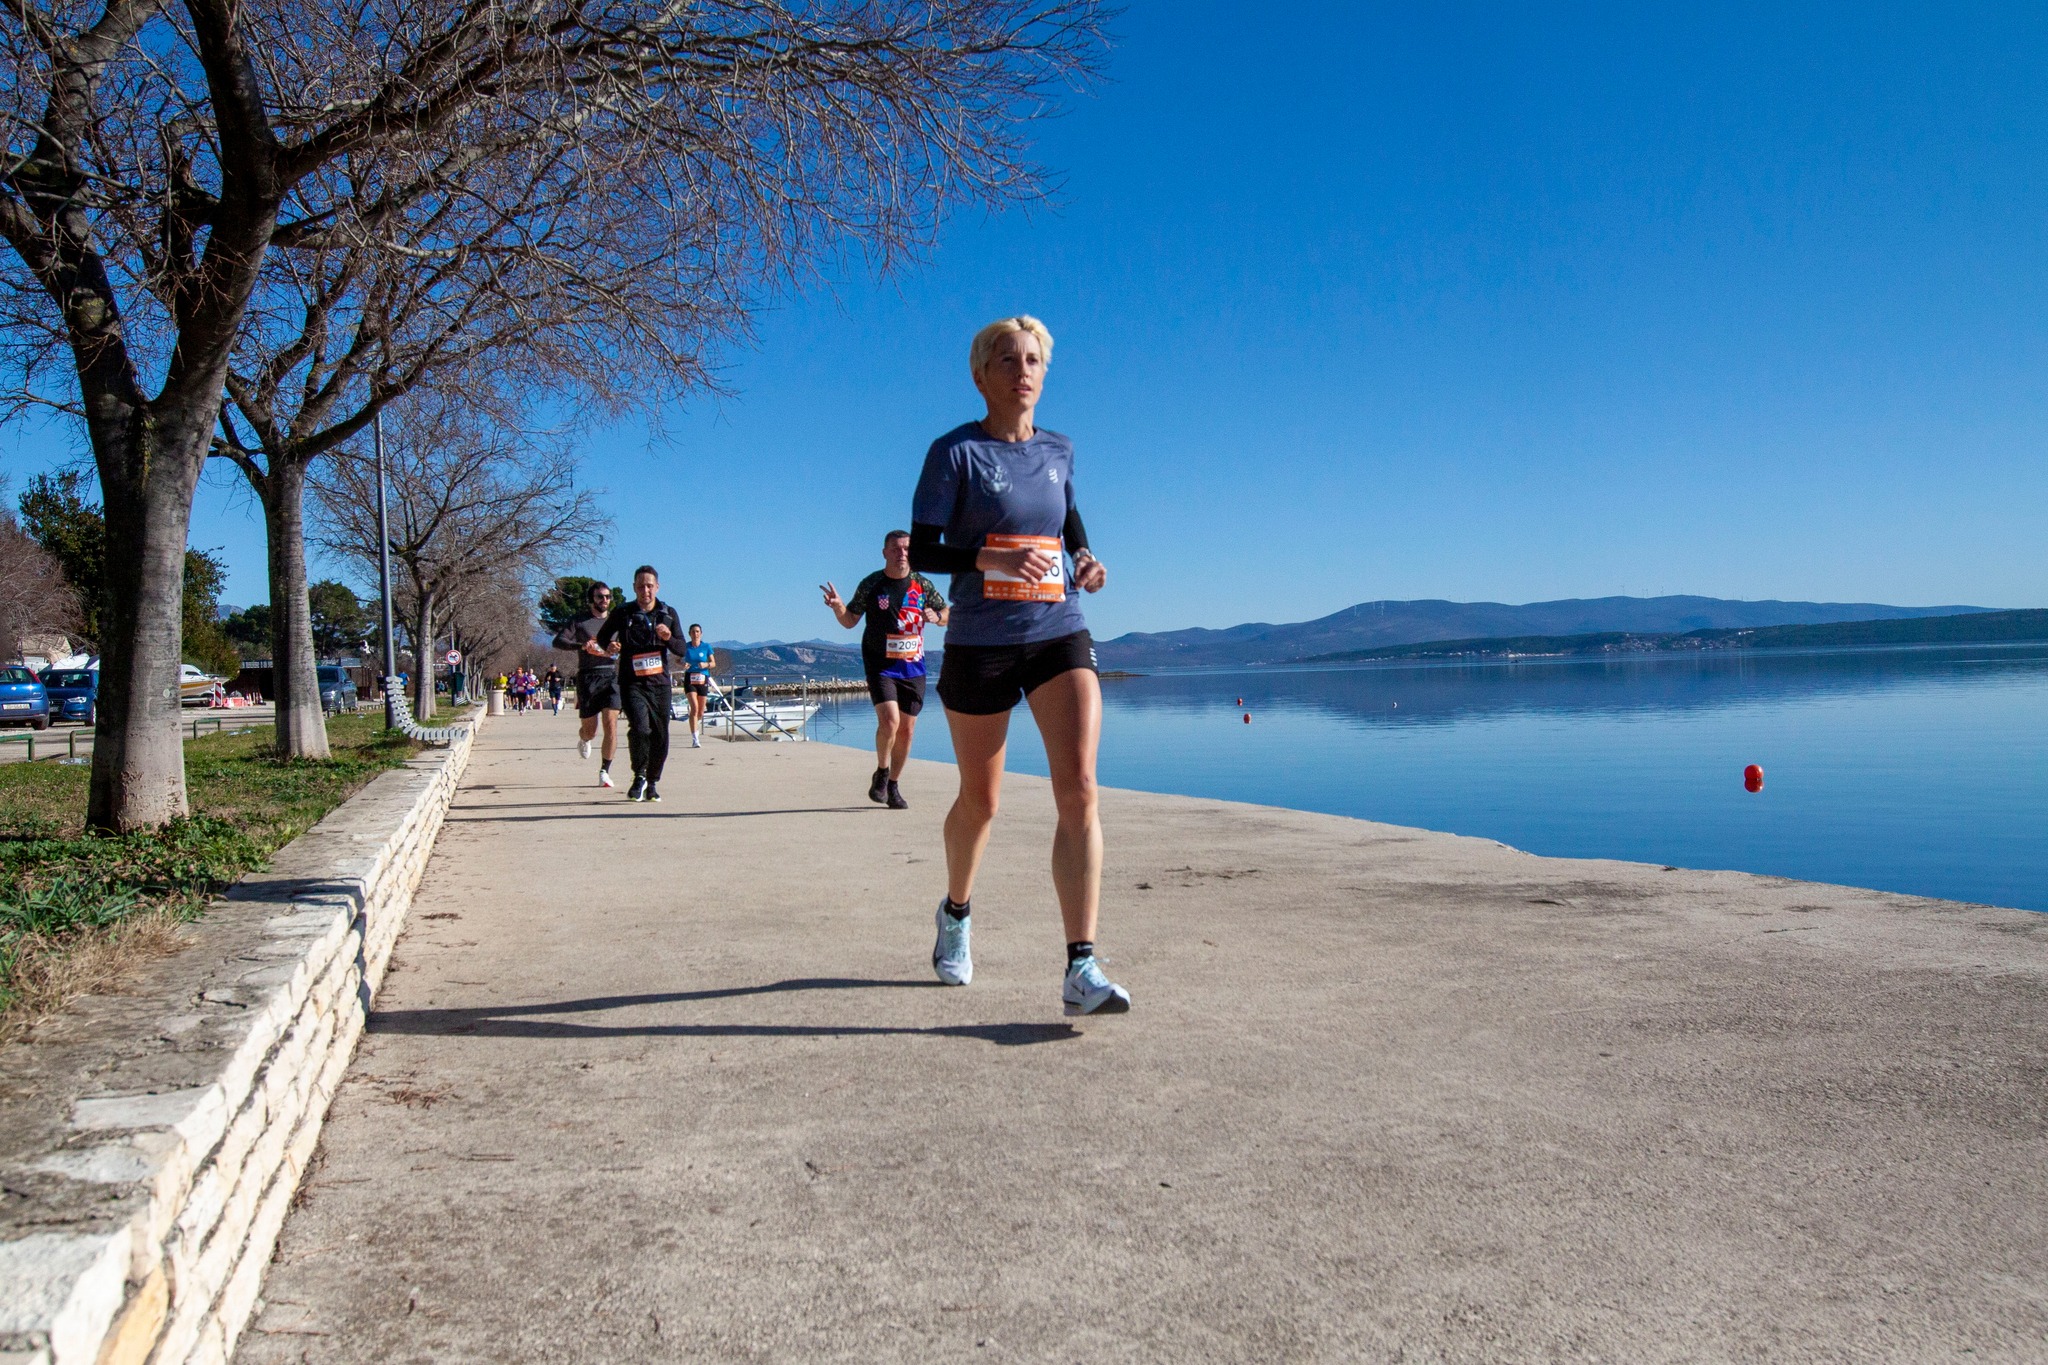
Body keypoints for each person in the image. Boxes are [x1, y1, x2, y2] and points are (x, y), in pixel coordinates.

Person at [907, 314, 1128, 1017]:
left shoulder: (1060, 449)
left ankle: (1081, 966)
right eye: (1007, 359)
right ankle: (956, 911)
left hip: (1058, 627)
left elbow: (1067, 521)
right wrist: (987, 557)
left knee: (1081, 789)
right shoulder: (955, 453)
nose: (1022, 371)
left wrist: (1085, 559)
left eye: (1033, 359)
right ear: (981, 375)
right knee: (982, 801)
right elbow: (922, 549)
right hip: (980, 640)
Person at [820, 530, 949, 809]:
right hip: (880, 664)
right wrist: (838, 606)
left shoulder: (922, 584)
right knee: (890, 722)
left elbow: (946, 613)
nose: (902, 553)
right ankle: (881, 770)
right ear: (885, 553)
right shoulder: (872, 584)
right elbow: (850, 620)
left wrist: (937, 615)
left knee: (907, 732)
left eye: (906, 548)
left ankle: (893, 785)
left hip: (913, 667)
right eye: (896, 549)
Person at [595, 566, 689, 802]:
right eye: (640, 586)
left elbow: (681, 649)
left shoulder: (668, 613)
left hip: (660, 684)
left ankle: (652, 782)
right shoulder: (623, 612)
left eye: (649, 586)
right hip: (632, 682)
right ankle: (639, 775)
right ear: (634, 588)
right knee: (639, 729)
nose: (645, 590)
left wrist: (668, 637)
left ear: (657, 587)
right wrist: (610, 646)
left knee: (660, 735)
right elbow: (603, 637)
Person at [553, 581, 623, 787]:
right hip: (588, 677)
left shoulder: (616, 621)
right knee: (590, 730)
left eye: (608, 596)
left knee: (611, 723)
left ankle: (604, 771)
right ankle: (584, 739)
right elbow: (558, 641)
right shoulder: (580, 621)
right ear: (592, 599)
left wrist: (619, 647)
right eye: (600, 596)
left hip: (610, 675)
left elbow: (627, 644)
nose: (605, 600)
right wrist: (582, 646)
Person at [681, 625, 715, 748]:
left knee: (700, 711)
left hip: (702, 678)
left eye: (697, 631)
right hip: (690, 678)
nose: (695, 634)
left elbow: (713, 663)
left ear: (701, 633)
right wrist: (683, 664)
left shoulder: (706, 647)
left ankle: (695, 723)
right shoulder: (686, 647)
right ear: (689, 634)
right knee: (694, 708)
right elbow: (677, 660)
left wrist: (706, 664)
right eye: (693, 632)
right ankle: (695, 739)